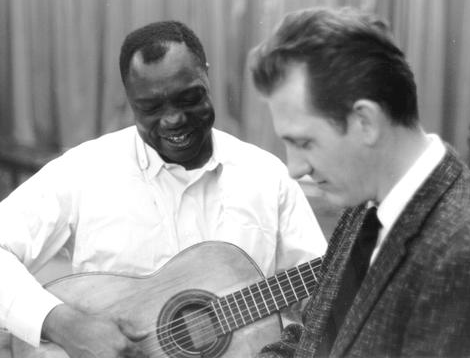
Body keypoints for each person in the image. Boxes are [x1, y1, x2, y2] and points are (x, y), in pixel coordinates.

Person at [0, 20, 327, 357]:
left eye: (188, 98)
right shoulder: (83, 171)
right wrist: (63, 323)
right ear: (129, 98)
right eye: (151, 108)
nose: (173, 120)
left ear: (206, 75)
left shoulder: (267, 176)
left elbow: (323, 295)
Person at [249, 7, 470, 357]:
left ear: (365, 121)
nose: (293, 168)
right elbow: (316, 337)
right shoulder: (365, 201)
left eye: (304, 142)